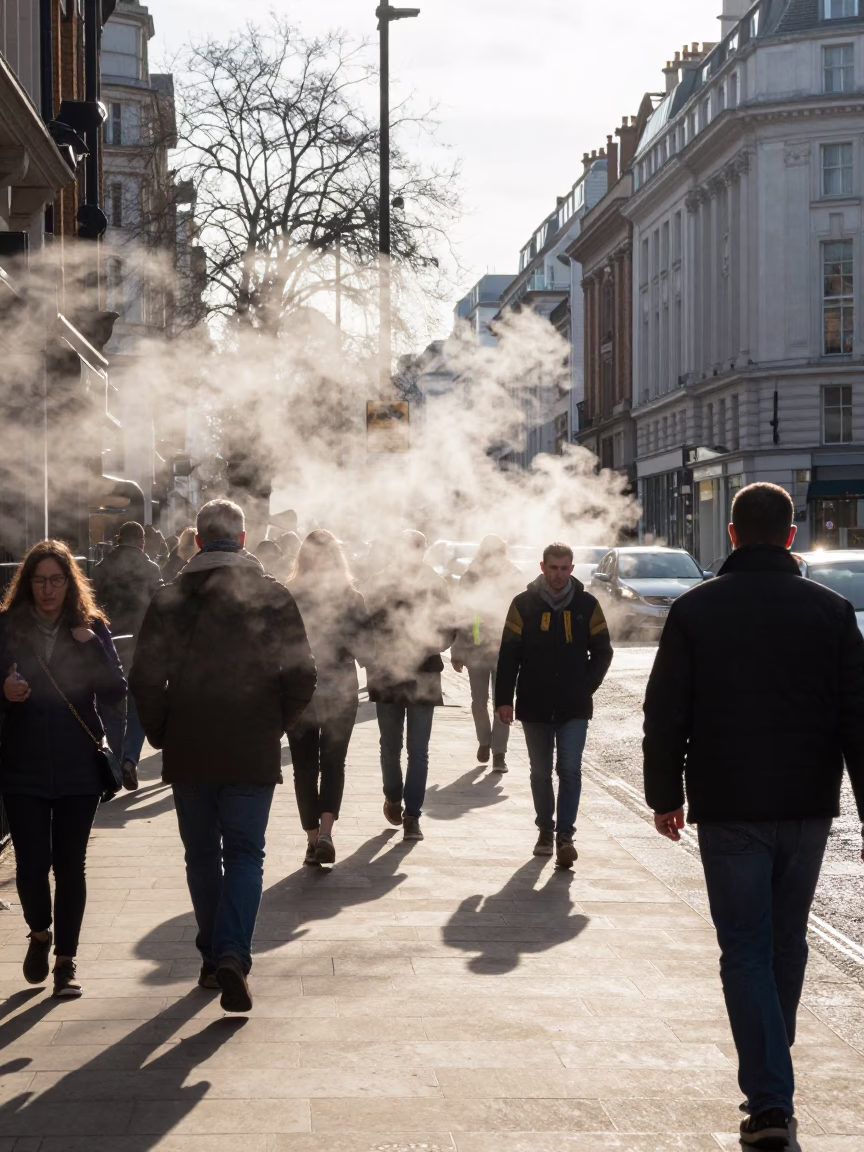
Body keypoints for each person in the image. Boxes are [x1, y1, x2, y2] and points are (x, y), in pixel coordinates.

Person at [643, 482, 864, 1150]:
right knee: (786, 942)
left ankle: (769, 1099)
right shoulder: (831, 610)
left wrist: (665, 795)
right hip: (806, 805)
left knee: (744, 949)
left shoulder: (695, 609)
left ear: (733, 534)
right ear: (791, 536)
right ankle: (772, 1068)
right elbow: (858, 717)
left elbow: (665, 711)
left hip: (730, 802)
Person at [129, 499, 316, 1012]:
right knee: (245, 854)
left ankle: (214, 957)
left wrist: (161, 731)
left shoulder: (171, 597)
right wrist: (275, 724)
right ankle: (232, 952)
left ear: (196, 540)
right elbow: (303, 673)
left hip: (190, 745)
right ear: (243, 539)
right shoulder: (272, 595)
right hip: (251, 746)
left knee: (201, 855)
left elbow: (145, 676)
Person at [0, 540, 126, 998]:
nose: (48, 589)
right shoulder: (8, 627)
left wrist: (92, 648)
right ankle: (40, 933)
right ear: (27, 583)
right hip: (22, 763)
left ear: (69, 583)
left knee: (71, 865)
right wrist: (4, 689)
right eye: (39, 580)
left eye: (56, 580)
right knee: (32, 864)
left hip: (78, 764)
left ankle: (65, 962)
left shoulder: (90, 627)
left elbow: (114, 690)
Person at [495, 542, 613, 869]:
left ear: (572, 569)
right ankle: (545, 830)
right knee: (540, 772)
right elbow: (509, 654)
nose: (559, 575)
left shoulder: (587, 605)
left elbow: (603, 651)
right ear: (543, 567)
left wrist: (585, 686)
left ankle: (565, 836)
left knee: (570, 770)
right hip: (534, 703)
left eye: (564, 569)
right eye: (553, 568)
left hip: (574, 707)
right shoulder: (523, 604)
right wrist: (504, 699)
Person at [287, 531, 374, 866]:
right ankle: (325, 833)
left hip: (299, 690)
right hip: (340, 687)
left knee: (304, 768)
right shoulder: (351, 597)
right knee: (334, 762)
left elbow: (278, 646)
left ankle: (312, 840)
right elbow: (366, 649)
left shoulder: (290, 594)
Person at [364, 530, 455, 841]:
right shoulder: (379, 582)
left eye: (418, 547)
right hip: (388, 674)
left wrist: (426, 645)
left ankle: (412, 814)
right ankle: (393, 796)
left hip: (424, 673)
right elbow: (367, 626)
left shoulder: (435, 584)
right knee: (391, 746)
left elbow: (449, 627)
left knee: (418, 750)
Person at [93, 521, 162, 790]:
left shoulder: (101, 568)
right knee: (138, 707)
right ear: (142, 541)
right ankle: (129, 760)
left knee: (111, 708)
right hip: (140, 645)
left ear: (119, 539)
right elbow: (159, 607)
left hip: (108, 645)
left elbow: (92, 607)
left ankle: (115, 764)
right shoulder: (151, 569)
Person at [451, 535, 523, 772]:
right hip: (476, 649)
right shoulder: (470, 577)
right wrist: (457, 650)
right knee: (478, 702)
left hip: (506, 651)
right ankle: (484, 741)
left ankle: (499, 753)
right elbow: (460, 615)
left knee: (504, 702)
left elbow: (524, 614)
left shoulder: (513, 576)